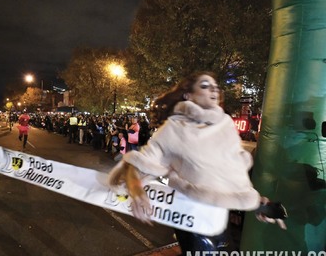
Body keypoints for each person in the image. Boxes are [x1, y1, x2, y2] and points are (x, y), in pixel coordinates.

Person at [108, 71, 286, 255]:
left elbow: (229, 176)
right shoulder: (173, 128)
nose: (213, 90)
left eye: (215, 86)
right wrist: (137, 193)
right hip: (192, 220)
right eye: (204, 85)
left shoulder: (225, 125)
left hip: (219, 221)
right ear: (188, 95)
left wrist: (256, 202)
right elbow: (135, 166)